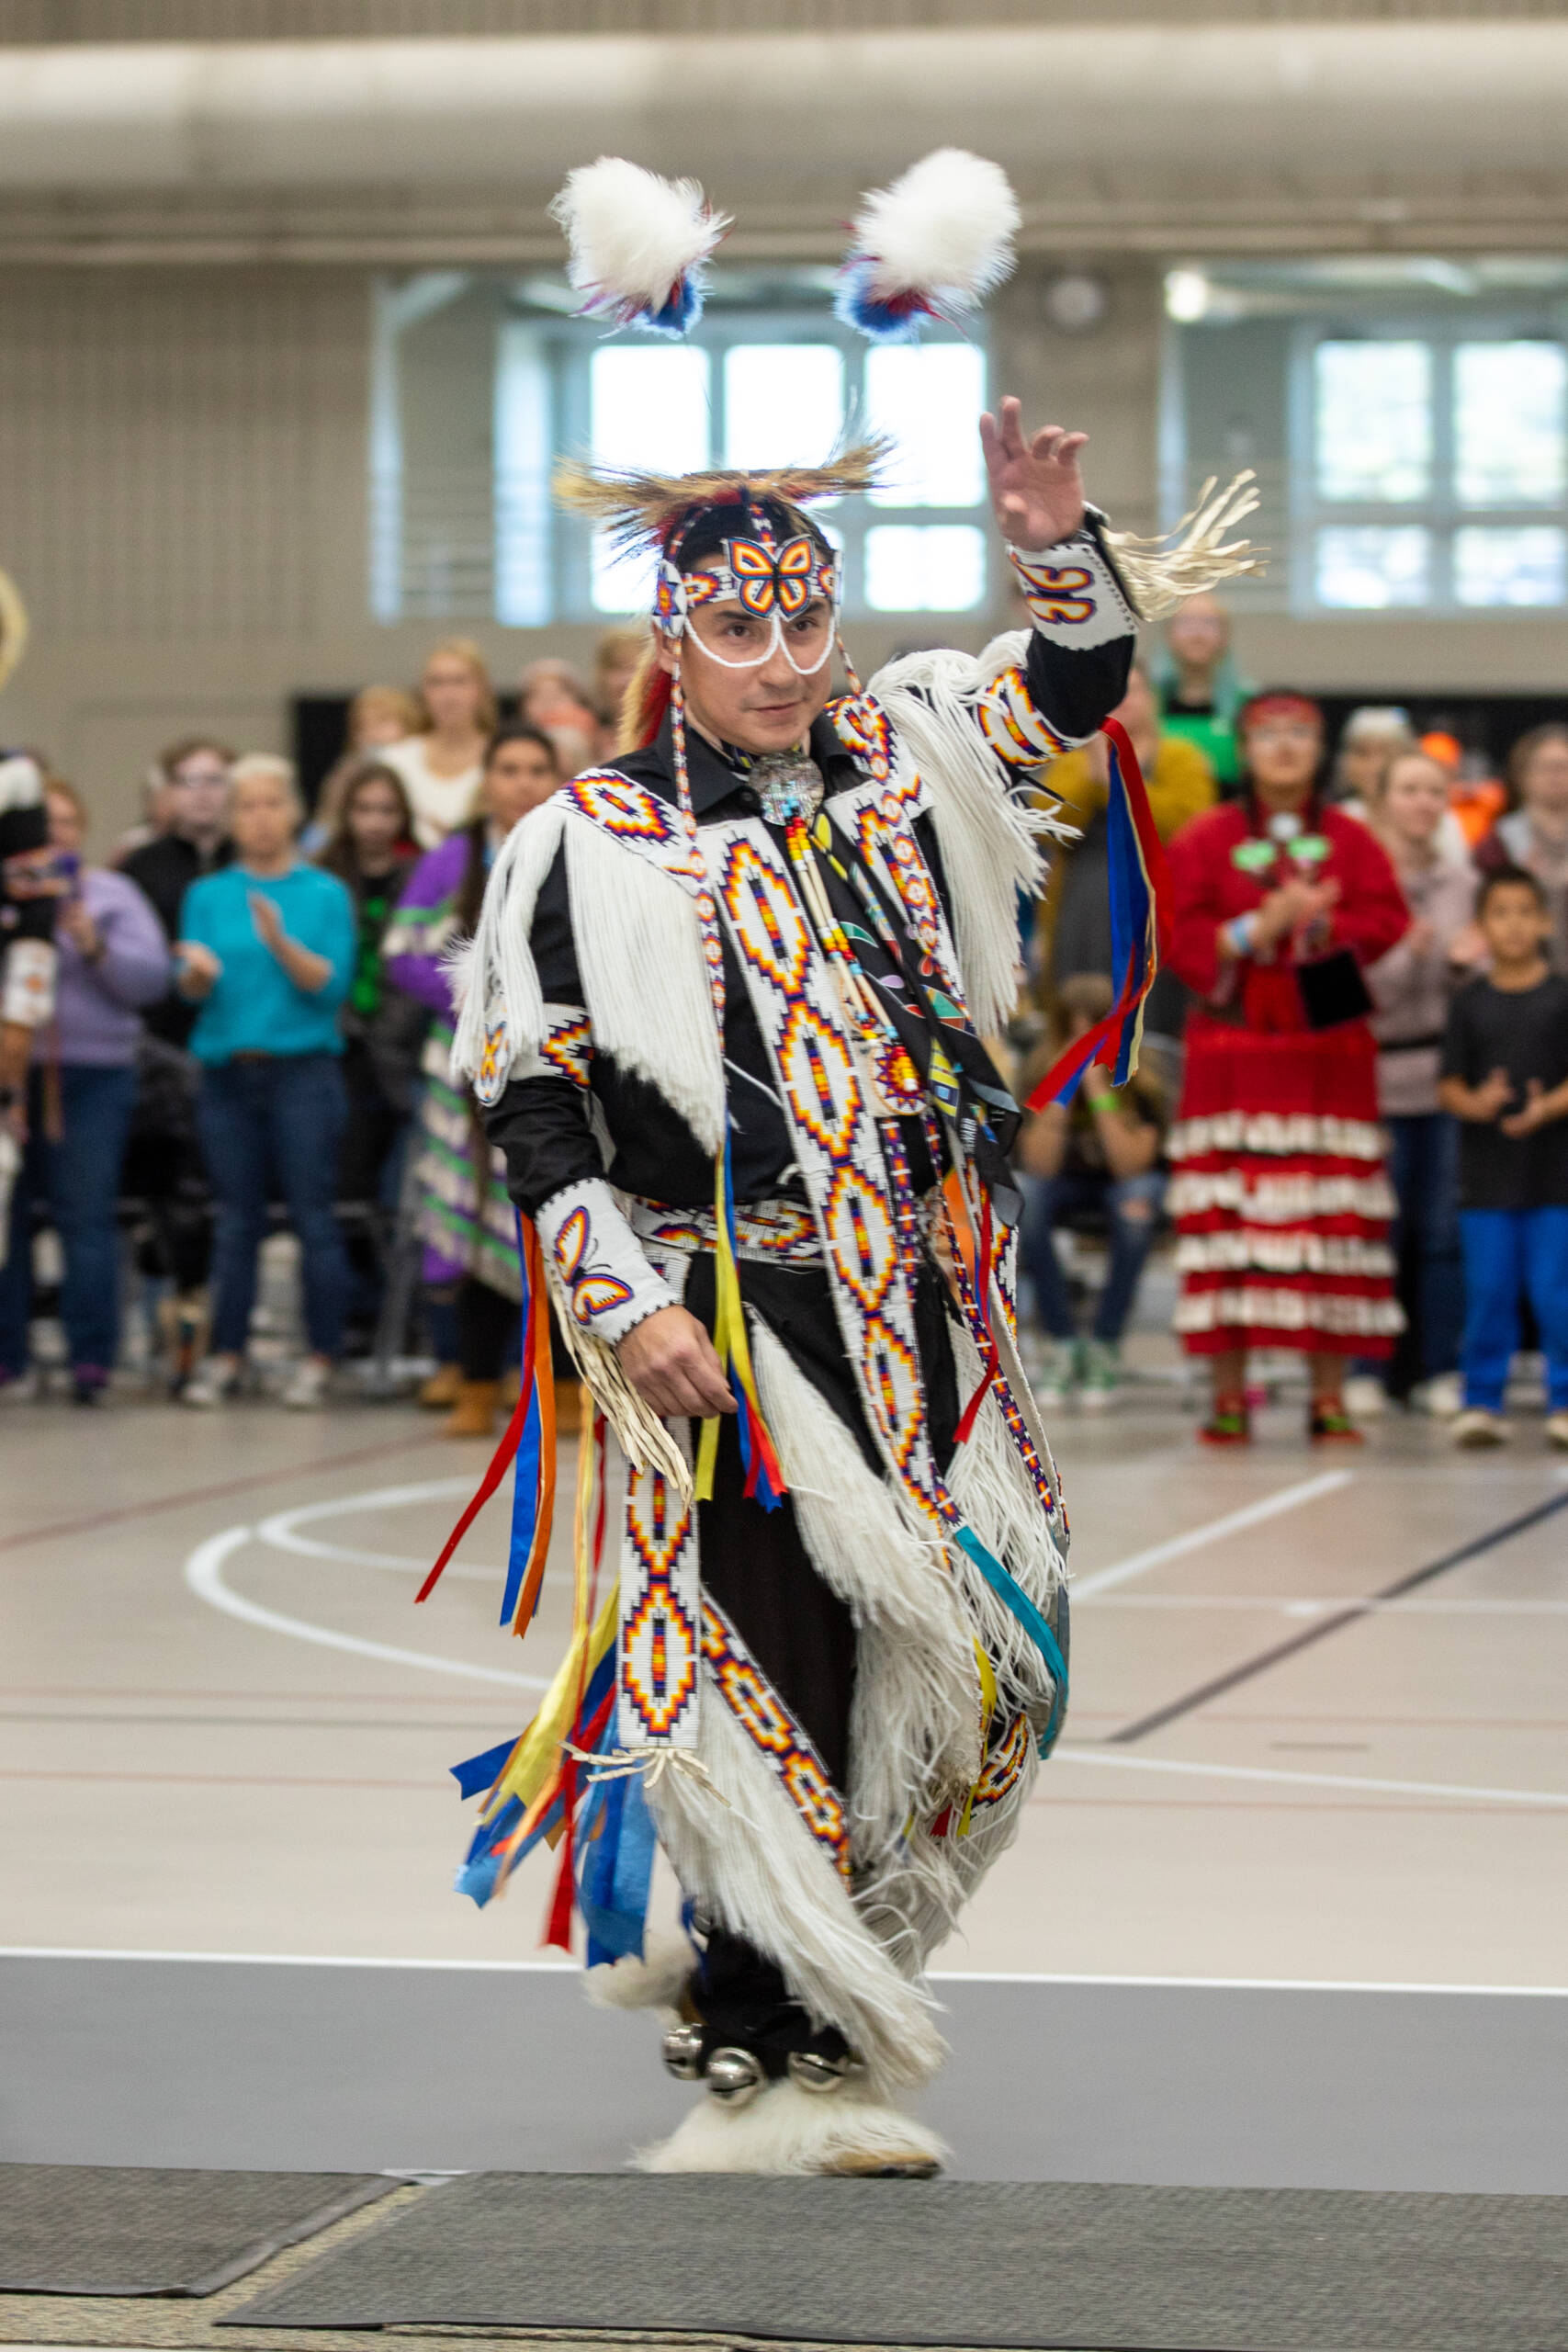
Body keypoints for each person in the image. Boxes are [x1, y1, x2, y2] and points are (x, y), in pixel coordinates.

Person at [442, 380, 1251, 2177]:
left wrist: (1048, 544)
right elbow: (535, 1104)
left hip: (934, 1326)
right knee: (772, 1673)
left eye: (804, 613)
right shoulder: (585, 836)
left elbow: (1072, 689)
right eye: (740, 624)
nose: (785, 653)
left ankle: (833, 1981)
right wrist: (625, 1306)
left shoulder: (904, 748)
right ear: (675, 634)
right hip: (733, 1327)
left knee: (975, 1686)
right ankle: (765, 2051)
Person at [1165, 692, 1410, 1443]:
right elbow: (1173, 928)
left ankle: (1327, 1397)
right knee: (1229, 1225)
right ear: (1241, 747)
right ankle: (1229, 1398)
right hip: (1231, 1056)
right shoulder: (1205, 836)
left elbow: (1387, 919)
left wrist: (1324, 922)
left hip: (1325, 1057)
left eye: (1298, 733)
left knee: (1329, 1223)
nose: (1282, 746)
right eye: (1265, 733)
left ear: (1320, 748)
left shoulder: (1350, 837)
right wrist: (1252, 928)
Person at [384, 725, 564, 1435]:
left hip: (555, 1061)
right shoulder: (451, 859)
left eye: (535, 768)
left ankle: (567, 1390)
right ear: (486, 780)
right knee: (468, 1225)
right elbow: (401, 953)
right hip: (461, 1068)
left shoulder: (572, 846)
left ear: (554, 776)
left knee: (559, 1220)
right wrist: (482, 994)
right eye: (508, 768)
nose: (521, 782)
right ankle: (478, 1385)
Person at [175, 755, 355, 1409]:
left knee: (314, 1219)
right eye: (245, 806)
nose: (259, 817)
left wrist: (279, 942)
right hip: (228, 1077)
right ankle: (227, 1354)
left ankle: (321, 1354)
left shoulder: (324, 893)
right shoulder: (208, 894)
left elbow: (329, 986)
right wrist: (195, 972)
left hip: (302, 1076)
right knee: (234, 1224)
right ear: (230, 818)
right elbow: (193, 990)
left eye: (270, 803)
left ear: (294, 811)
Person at [0, 781, 170, 1401]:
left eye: (67, 821)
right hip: (11, 1076)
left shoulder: (112, 893)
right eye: (44, 822)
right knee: (7, 1219)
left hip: (94, 1076)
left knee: (86, 1218)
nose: (56, 832)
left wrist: (92, 942)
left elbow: (151, 980)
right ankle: (7, 1357)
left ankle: (92, 1359)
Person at [1343, 751, 1480, 1420]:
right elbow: (1333, 986)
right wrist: (1403, 959)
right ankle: (1365, 1366)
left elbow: (1484, 982)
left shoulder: (1464, 882)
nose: (1423, 803)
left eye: (1434, 792)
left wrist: (1459, 970)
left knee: (1441, 1231)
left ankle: (1440, 1368)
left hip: (1445, 1075)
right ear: (1384, 799)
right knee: (1375, 1228)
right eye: (1409, 790)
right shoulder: (1359, 879)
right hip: (1372, 1069)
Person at [1438, 867, 1568, 1451]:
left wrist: (1546, 1109)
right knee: (1489, 1291)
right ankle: (1481, 1400)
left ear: (1545, 922)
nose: (1514, 925)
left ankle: (1562, 1400)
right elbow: (1449, 1085)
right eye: (1500, 913)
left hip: (1555, 1178)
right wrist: (1479, 1103)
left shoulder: (1562, 996)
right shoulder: (1470, 1005)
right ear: (1482, 926)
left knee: (1554, 1293)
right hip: (1486, 1180)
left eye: (1525, 912)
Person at [1015, 974, 1166, 1408]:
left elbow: (1129, 1165)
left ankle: (1105, 1341)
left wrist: (1099, 1091)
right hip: (1061, 1182)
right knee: (1027, 1200)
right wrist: (1063, 1088)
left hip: (1124, 1182)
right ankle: (1062, 1343)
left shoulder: (1142, 1078)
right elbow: (1038, 1164)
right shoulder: (1039, 1071)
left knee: (1135, 1205)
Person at [315, 761, 423, 1351]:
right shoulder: (325, 873)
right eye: (364, 809)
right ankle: (358, 1314)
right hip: (339, 1047)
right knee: (344, 1186)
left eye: (387, 810)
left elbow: (426, 957)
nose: (376, 823)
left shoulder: (422, 873)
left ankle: (403, 1319)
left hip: (402, 1052)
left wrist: (391, 1027)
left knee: (396, 1192)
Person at [1035, 660, 1215, 1006]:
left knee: (1156, 1009)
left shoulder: (1183, 757)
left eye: (1131, 690)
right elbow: (1046, 830)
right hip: (1082, 906)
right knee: (1078, 1011)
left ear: (1151, 698)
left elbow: (1190, 830)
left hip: (1157, 899)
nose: (1122, 700)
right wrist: (1090, 777)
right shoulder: (1072, 760)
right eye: (1109, 693)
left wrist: (1117, 783)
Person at [119, 738, 234, 1048]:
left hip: (238, 1026)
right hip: (163, 1029)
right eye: (189, 782)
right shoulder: (140, 864)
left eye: (215, 780)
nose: (203, 792)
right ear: (169, 791)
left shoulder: (250, 861)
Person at [381, 641, 496, 849]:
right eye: (436, 683)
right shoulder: (394, 760)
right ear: (423, 692)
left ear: (481, 690)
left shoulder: (505, 759)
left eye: (459, 682)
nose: (448, 694)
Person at [1475, 725, 1568, 976]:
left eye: (1562, 767)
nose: (1555, 776)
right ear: (1523, 776)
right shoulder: (1499, 841)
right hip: (1520, 979)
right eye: (1545, 768)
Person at [1152, 591, 1254, 791]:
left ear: (1226, 636)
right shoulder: (1146, 702)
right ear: (1168, 635)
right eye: (1186, 623)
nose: (1197, 634)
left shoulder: (1249, 703)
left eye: (1209, 623)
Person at [305, 684, 423, 850]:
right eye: (362, 725)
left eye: (383, 721)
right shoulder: (347, 771)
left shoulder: (424, 765)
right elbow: (324, 823)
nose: (372, 732)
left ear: (408, 723)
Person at [1331, 706, 1416, 808]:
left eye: (1387, 753)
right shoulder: (1335, 819)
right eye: (1362, 753)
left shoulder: (1432, 817)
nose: (1375, 766)